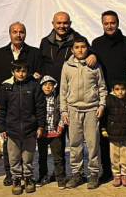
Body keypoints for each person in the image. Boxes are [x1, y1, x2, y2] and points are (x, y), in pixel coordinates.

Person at [38, 11, 96, 183]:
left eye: (65, 23)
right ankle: (58, 172)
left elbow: (89, 51)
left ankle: (78, 173)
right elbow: (41, 64)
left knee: (73, 137)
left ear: (70, 24)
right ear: (53, 24)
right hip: (51, 94)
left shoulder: (77, 39)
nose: (62, 26)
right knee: (55, 137)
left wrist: (94, 54)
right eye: (59, 23)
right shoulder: (45, 42)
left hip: (71, 95)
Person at [0, 22, 44, 186]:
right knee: (10, 145)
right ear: (10, 34)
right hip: (8, 102)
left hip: (28, 104)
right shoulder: (0, 54)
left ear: (25, 34)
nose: (18, 35)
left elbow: (40, 75)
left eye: (21, 32)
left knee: (27, 148)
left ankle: (28, 175)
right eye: (15, 32)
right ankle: (11, 174)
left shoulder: (34, 53)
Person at [91, 10, 126, 182]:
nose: (109, 26)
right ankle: (107, 170)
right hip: (104, 96)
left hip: (122, 96)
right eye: (106, 23)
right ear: (102, 24)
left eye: (112, 22)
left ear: (118, 23)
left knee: (122, 136)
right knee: (105, 134)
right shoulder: (96, 44)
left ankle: (124, 171)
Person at [60, 37, 107, 189]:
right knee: (74, 144)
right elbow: (63, 90)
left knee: (93, 143)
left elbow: (102, 88)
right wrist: (64, 111)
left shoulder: (95, 66)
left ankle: (94, 173)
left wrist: (101, 105)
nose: (80, 50)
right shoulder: (67, 66)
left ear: (88, 48)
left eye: (83, 46)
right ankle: (77, 174)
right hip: (73, 110)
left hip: (92, 110)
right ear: (72, 50)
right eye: (77, 47)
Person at [0, 59, 46, 195]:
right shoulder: (6, 87)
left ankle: (29, 178)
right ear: (12, 72)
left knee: (28, 157)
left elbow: (40, 107)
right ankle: (16, 179)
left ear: (27, 72)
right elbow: (2, 109)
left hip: (30, 129)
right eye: (18, 71)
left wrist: (40, 126)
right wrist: (2, 128)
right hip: (12, 130)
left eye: (24, 71)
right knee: (14, 157)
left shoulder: (34, 86)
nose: (21, 74)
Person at [101, 80, 126, 188]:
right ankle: (116, 174)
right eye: (117, 89)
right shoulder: (109, 100)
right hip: (112, 133)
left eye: (122, 89)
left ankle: (124, 174)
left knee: (125, 155)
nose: (120, 92)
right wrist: (103, 129)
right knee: (114, 156)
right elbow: (104, 116)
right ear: (113, 90)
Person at [37, 76, 65, 188]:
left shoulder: (58, 98)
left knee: (58, 156)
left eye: (50, 84)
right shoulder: (38, 98)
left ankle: (60, 177)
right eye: (45, 84)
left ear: (54, 86)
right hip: (42, 133)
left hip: (55, 132)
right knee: (42, 157)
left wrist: (60, 126)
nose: (48, 87)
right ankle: (43, 176)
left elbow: (63, 112)